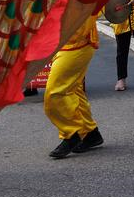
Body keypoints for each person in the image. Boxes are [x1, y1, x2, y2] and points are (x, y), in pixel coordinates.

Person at [43, 10, 103, 159]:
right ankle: (90, 133)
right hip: (64, 43)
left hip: (77, 45)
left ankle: (71, 133)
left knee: (54, 93)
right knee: (74, 90)